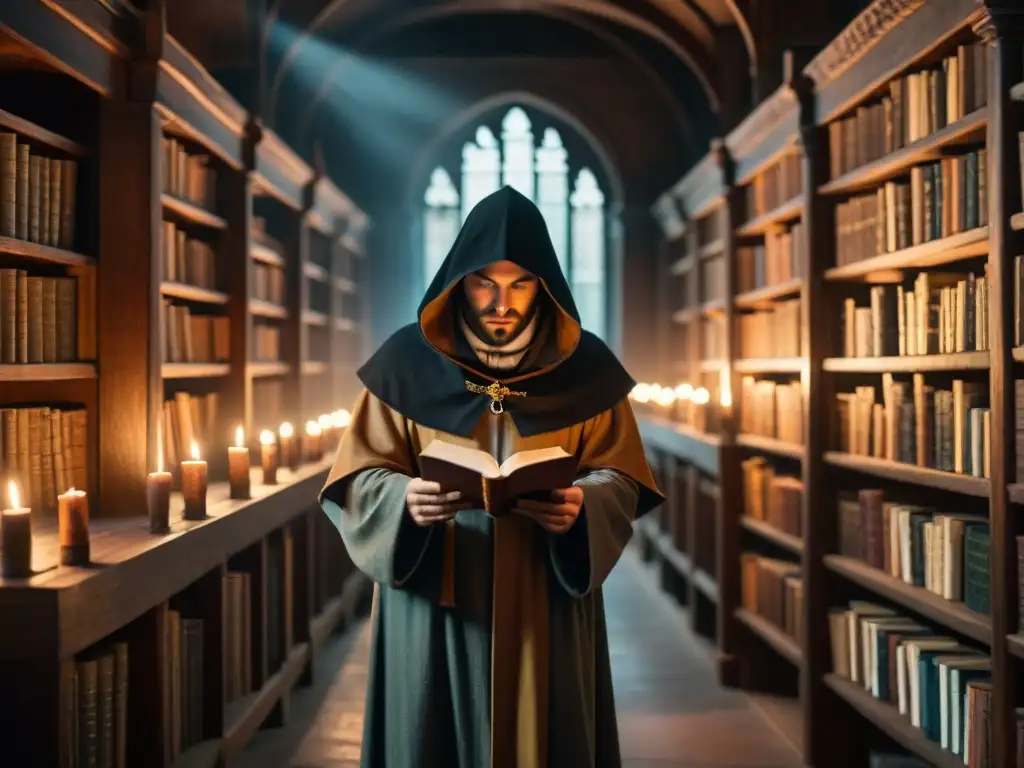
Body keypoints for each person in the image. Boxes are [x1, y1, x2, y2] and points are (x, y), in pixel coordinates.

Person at [319, 185, 662, 768]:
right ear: (459, 282)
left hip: (545, 593)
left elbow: (621, 476)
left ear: (543, 286)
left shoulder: (589, 371)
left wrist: (587, 503)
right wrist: (404, 500)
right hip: (437, 601)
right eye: (485, 282)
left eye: (520, 284)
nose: (501, 302)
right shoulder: (406, 363)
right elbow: (358, 476)